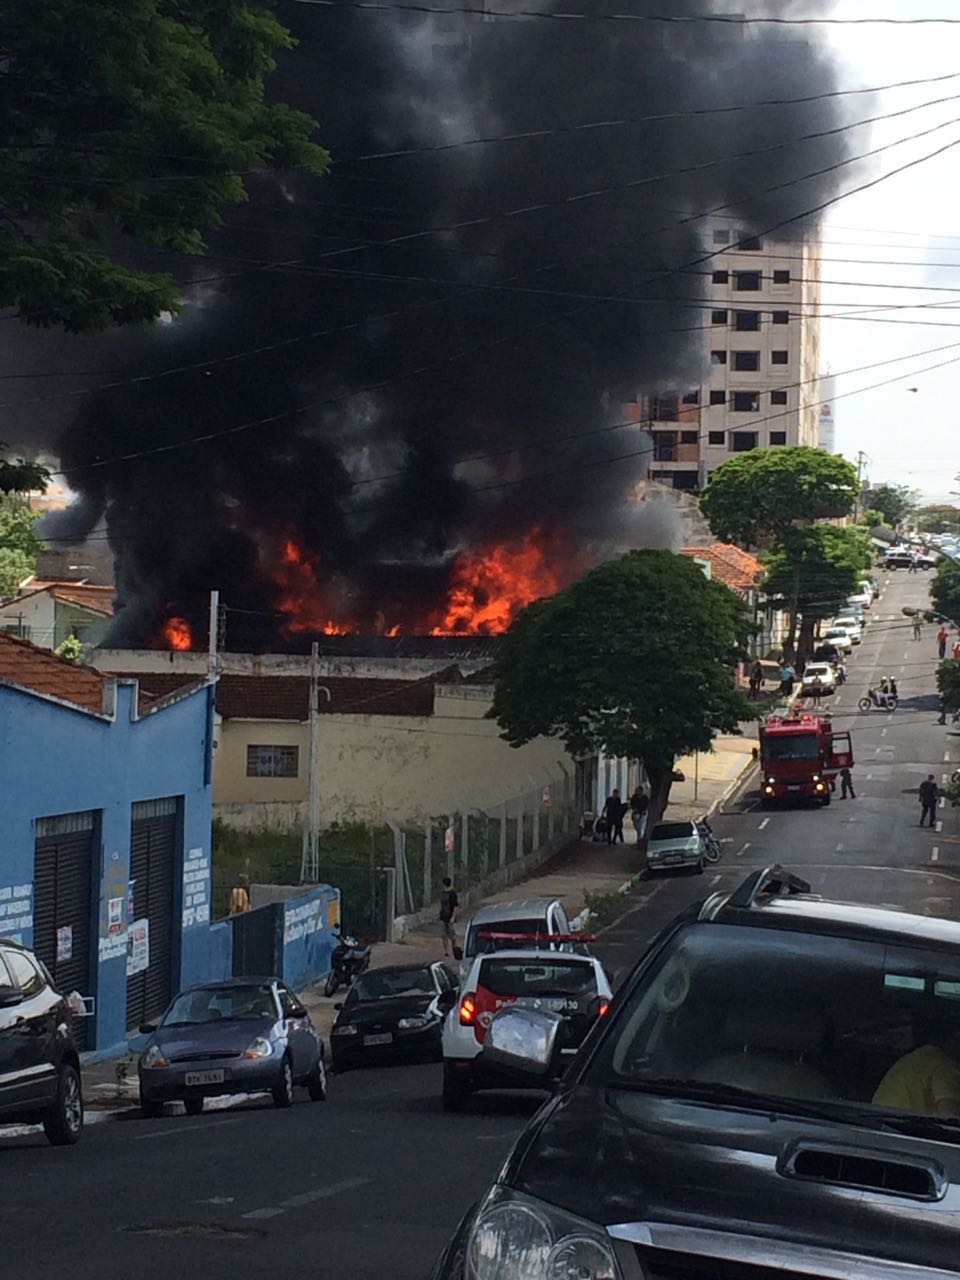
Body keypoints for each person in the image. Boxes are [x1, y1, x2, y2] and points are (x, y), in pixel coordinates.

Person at [873, 1023, 960, 1119]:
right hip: (903, 1129)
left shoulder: (909, 1060)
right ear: (952, 1040)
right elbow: (950, 1117)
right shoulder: (945, 1066)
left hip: (871, 1126)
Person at [438, 877, 460, 959]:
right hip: (443, 916)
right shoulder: (443, 893)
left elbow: (455, 906)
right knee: (444, 935)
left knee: (452, 936)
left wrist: (453, 917)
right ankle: (446, 951)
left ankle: (454, 949)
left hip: (450, 916)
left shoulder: (452, 893)